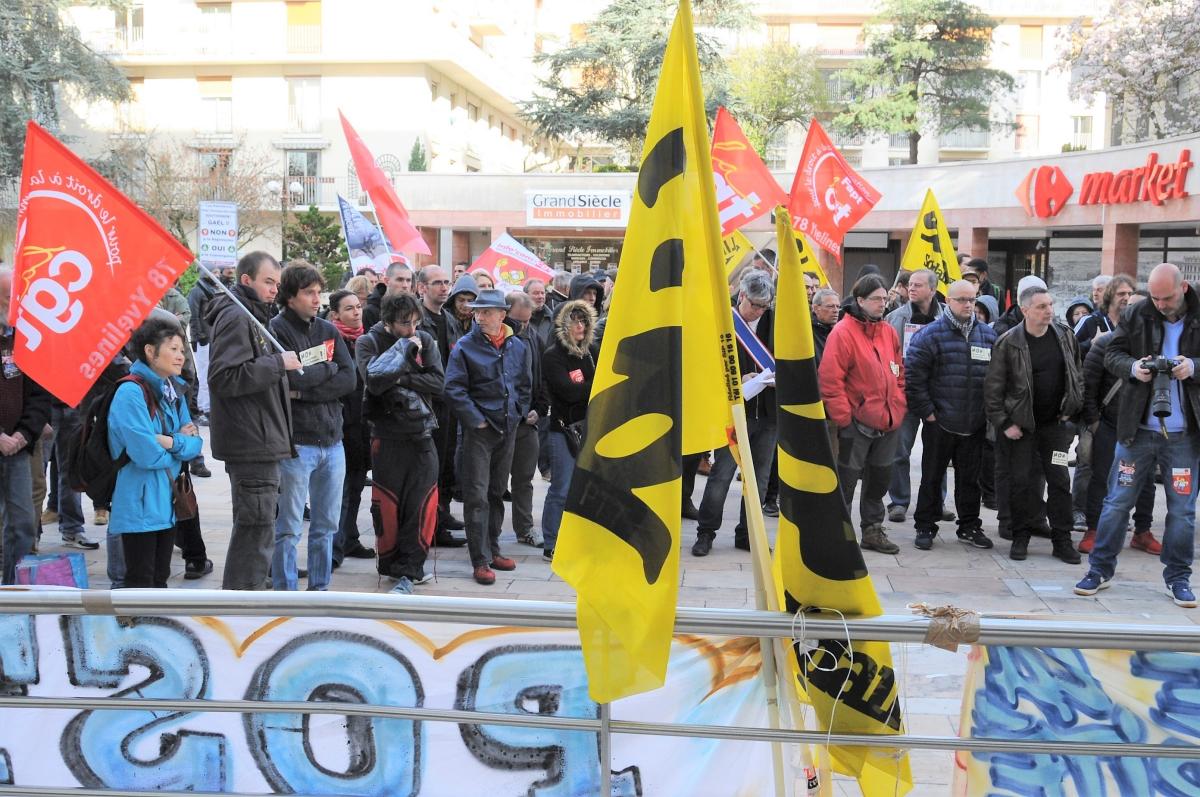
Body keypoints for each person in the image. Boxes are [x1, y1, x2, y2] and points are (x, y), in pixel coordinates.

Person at [1076, 264, 1200, 607]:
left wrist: (1193, 367)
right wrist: (1134, 368)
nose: (1160, 304)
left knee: (1183, 511)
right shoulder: (1137, 312)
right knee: (1116, 503)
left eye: (1168, 298)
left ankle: (1178, 578)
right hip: (1137, 430)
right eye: (1156, 298)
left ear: (1184, 288)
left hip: (1185, 434)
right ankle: (1099, 570)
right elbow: (1110, 354)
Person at [206, 251, 303, 590]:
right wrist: (278, 364)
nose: (274, 289)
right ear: (246, 280)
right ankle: (241, 607)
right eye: (268, 282)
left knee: (258, 529)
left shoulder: (253, 315)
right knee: (255, 532)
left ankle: (246, 600)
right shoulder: (237, 316)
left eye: (277, 283)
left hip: (260, 440)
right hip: (251, 443)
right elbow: (224, 377)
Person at [268, 263, 357, 592]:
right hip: (298, 444)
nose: (316, 298)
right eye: (309, 293)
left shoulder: (327, 329)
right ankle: (285, 592)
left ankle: (320, 590)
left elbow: (349, 378)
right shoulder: (276, 330)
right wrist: (325, 371)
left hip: (333, 441)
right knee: (289, 526)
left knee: (326, 525)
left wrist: (306, 389)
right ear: (290, 297)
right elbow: (288, 378)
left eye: (319, 292)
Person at [985, 285, 1083, 565]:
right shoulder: (1009, 342)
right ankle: (1020, 535)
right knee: (1021, 483)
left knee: (1060, 481)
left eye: (1050, 305)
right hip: (1020, 428)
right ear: (1025, 310)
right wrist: (1004, 423)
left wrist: (1070, 411)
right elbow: (993, 389)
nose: (1049, 310)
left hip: (1056, 428)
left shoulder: (1065, 335)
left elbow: (1077, 374)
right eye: (1041, 306)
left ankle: (1062, 539)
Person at [357, 293, 444, 592]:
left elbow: (438, 383)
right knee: (388, 507)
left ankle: (412, 568)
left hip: (421, 434)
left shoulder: (427, 341)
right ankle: (392, 565)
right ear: (387, 322)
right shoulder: (367, 342)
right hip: (386, 436)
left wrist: (402, 376)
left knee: (422, 505)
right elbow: (375, 381)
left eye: (415, 323)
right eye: (405, 324)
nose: (411, 329)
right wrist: (405, 351)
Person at [106, 318, 203, 588]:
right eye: (173, 349)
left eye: (182, 350)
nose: (181, 356)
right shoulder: (130, 392)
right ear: (150, 351)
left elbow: (196, 446)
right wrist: (179, 443)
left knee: (160, 582)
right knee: (140, 585)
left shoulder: (174, 390)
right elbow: (146, 455)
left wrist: (170, 442)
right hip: (137, 505)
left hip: (166, 503)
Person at [444, 288, 532, 585]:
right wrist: (477, 421)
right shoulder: (465, 346)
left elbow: (524, 384)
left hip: (507, 427)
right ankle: (479, 559)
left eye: (486, 312)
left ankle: (493, 549)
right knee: (477, 495)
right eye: (478, 311)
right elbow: (453, 389)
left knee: (496, 492)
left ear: (502, 315)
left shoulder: (517, 345)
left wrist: (518, 411)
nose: (479, 316)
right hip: (480, 432)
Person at [904, 279, 997, 551]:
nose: (968, 305)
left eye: (972, 300)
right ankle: (925, 526)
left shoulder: (988, 336)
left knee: (970, 480)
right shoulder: (930, 335)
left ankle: (969, 526)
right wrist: (929, 414)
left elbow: (995, 379)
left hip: (974, 422)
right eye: (962, 300)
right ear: (949, 301)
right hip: (940, 422)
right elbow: (914, 379)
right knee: (931, 477)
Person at [819, 274, 907, 554]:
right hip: (856, 424)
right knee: (845, 481)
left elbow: (899, 371)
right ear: (860, 301)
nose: (882, 303)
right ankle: (839, 535)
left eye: (884, 298)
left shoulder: (888, 331)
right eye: (876, 299)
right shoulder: (843, 333)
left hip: (888, 421)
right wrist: (845, 418)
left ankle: (872, 530)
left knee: (879, 480)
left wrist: (898, 402)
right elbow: (830, 380)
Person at [693, 271, 777, 557]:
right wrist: (739, 381)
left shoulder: (775, 322)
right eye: (755, 304)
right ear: (741, 295)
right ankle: (706, 533)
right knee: (721, 475)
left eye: (764, 306)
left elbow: (790, 360)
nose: (759, 311)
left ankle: (748, 534)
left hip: (768, 414)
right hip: (733, 413)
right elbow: (705, 365)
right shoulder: (723, 320)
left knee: (760, 479)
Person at [1079, 317, 1158, 554]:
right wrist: (1094, 422)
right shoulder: (1105, 343)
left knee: (1146, 482)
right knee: (1101, 477)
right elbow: (1088, 385)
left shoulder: (1158, 347)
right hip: (1109, 424)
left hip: (1145, 425)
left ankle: (1142, 531)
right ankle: (1094, 529)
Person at [0, 268, 52, 584]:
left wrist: (23, 434)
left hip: (18, 448)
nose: (14, 303)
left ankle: (11, 591)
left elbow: (40, 393)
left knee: (22, 524)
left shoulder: (26, 338)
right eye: (8, 297)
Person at [540, 299, 597, 561]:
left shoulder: (590, 353)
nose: (581, 326)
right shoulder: (553, 355)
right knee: (561, 488)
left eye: (584, 320)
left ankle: (575, 538)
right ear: (564, 325)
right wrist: (595, 388)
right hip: (562, 430)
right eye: (575, 321)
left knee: (583, 489)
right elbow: (568, 391)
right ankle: (551, 541)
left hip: (588, 428)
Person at [885, 269, 942, 524]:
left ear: (932, 289)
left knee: (939, 452)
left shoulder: (945, 318)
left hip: (938, 395)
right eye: (910, 285)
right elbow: (888, 358)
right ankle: (898, 501)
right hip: (905, 393)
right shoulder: (895, 318)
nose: (912, 289)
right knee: (900, 451)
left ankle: (937, 501)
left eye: (918, 285)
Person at [416, 265, 467, 546]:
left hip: (449, 403)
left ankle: (441, 512)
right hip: (427, 404)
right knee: (429, 466)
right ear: (422, 287)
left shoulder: (449, 319)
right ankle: (430, 524)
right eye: (437, 282)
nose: (444, 287)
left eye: (447, 282)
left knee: (446, 463)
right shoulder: (416, 320)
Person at [327, 290, 377, 567]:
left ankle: (350, 538)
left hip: (363, 425)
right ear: (336, 315)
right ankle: (334, 547)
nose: (356, 312)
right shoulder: (330, 342)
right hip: (340, 426)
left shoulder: (366, 341)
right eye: (349, 309)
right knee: (341, 490)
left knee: (357, 486)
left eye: (358, 307)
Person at [503, 291, 547, 548]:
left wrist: (539, 409)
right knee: (495, 484)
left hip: (527, 423)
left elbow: (541, 378)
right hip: (501, 422)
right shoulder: (495, 339)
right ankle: (488, 533)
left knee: (524, 479)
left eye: (528, 321)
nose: (524, 326)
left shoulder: (533, 338)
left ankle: (525, 528)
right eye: (518, 322)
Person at [1074, 275, 1136, 357]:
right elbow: (1068, 349)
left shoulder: (1134, 321)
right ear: (1109, 295)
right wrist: (1091, 343)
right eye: (1121, 294)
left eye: (1130, 294)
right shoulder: (1088, 320)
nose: (1127, 298)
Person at [362, 261, 413, 330]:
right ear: (386, 281)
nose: (405, 285)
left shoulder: (413, 308)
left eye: (408, 280)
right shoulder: (370, 312)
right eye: (400, 280)